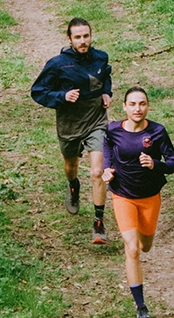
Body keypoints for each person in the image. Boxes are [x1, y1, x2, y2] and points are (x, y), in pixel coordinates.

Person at [101, 86, 174, 318]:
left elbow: (173, 163)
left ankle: (141, 306)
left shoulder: (157, 132)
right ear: (124, 107)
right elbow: (107, 149)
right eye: (132, 104)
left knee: (145, 245)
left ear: (148, 106)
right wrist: (107, 168)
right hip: (123, 195)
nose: (137, 108)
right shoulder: (113, 130)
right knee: (132, 248)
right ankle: (141, 309)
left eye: (142, 104)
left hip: (149, 197)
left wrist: (155, 163)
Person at [31, 17, 113, 244]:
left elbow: (105, 76)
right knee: (71, 166)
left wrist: (107, 92)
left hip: (96, 120)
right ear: (69, 39)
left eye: (86, 36)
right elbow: (38, 91)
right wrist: (62, 96)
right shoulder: (57, 64)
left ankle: (98, 223)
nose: (83, 41)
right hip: (69, 124)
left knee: (98, 171)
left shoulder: (100, 57)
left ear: (91, 35)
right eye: (77, 37)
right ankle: (73, 185)